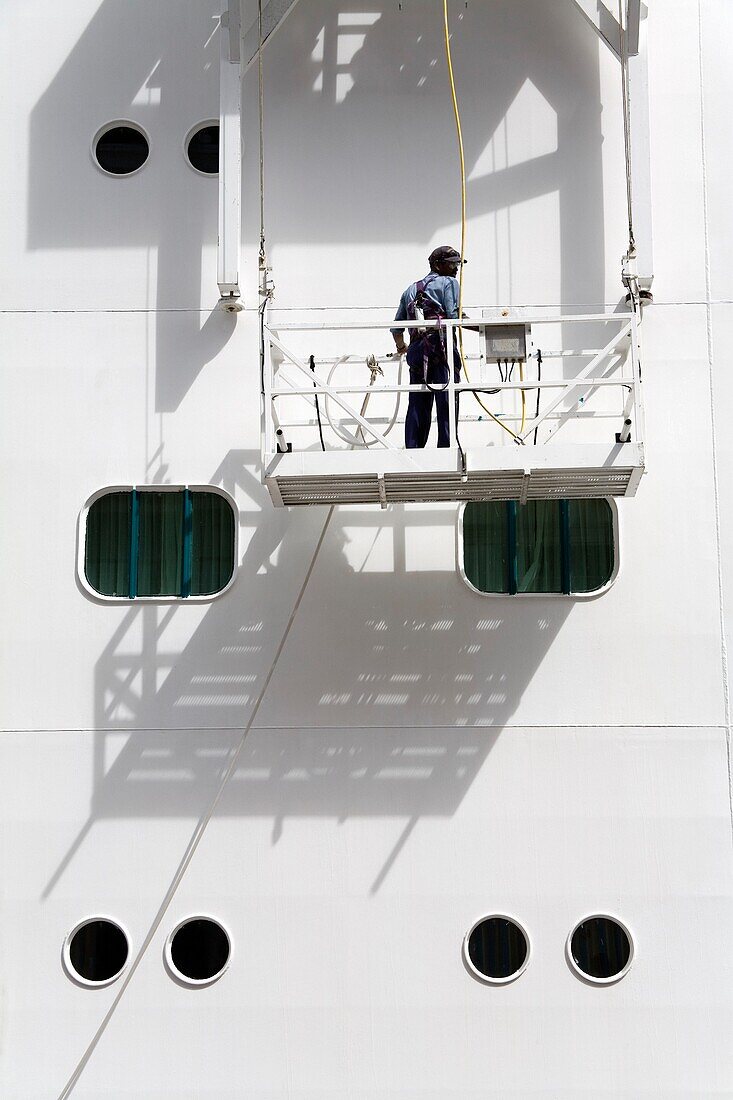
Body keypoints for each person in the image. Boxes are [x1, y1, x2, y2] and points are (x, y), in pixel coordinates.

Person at [391, 245, 463, 449]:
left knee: (417, 402)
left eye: (457, 264)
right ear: (438, 265)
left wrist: (402, 347)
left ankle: (414, 449)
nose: (456, 269)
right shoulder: (449, 283)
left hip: (416, 351)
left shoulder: (410, 290)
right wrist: (488, 329)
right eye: (452, 265)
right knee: (446, 400)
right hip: (441, 348)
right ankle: (446, 449)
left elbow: (397, 328)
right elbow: (453, 316)